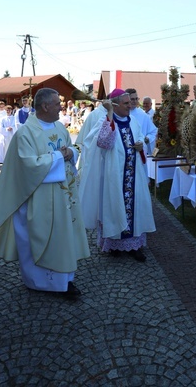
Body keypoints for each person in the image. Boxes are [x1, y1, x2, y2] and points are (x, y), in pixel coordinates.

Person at [0, 88, 90, 296]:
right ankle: (39, 282)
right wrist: (59, 155)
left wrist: (71, 151)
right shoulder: (25, 133)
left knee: (63, 236)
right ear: (46, 106)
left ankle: (64, 280)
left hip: (62, 195)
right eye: (57, 104)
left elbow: (70, 149)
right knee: (40, 236)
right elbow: (29, 166)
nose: (61, 107)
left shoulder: (59, 126)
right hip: (38, 197)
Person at [79, 89, 156, 262]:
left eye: (130, 102)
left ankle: (134, 245)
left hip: (133, 174)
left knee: (135, 207)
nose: (131, 106)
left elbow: (140, 137)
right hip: (113, 175)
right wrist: (110, 114)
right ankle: (114, 243)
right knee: (114, 206)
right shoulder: (104, 120)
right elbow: (104, 142)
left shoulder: (133, 121)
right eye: (126, 103)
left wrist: (139, 145)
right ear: (115, 104)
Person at [125, 88, 157, 155]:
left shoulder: (143, 115)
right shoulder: (122, 114)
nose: (135, 101)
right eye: (132, 99)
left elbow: (153, 131)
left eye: (136, 99)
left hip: (140, 152)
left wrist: (148, 138)